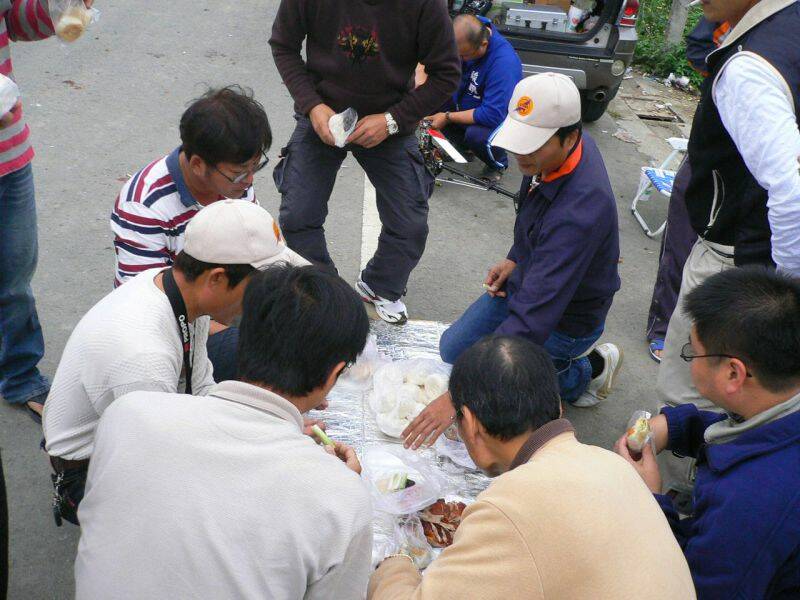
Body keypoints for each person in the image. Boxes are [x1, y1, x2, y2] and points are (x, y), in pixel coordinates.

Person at [75, 264, 372, 600]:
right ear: (333, 374)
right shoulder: (340, 499)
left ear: (241, 335)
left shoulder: (126, 415)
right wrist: (340, 487)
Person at [43, 200, 308, 525]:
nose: (263, 300)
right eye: (259, 289)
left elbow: (203, 390)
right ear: (217, 278)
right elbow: (163, 462)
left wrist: (266, 428)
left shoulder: (175, 289)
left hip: (136, 436)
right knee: (247, 510)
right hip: (86, 471)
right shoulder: (144, 356)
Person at [369, 335, 695, 600]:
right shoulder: (613, 464)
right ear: (558, 405)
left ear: (469, 424)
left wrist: (395, 563)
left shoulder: (508, 508)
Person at [403, 73, 622, 449]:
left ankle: (585, 370)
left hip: (566, 317)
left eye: (532, 147)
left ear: (570, 138)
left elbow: (533, 319)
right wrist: (515, 258)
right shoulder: (548, 157)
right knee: (452, 350)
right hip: (532, 279)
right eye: (518, 143)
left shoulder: (581, 211)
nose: (521, 155)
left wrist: (460, 397)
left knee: (506, 399)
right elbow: (532, 216)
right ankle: (554, 366)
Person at [656, 0, 800, 490]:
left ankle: (689, 502)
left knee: (692, 388)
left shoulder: (750, 67)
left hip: (740, 258)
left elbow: (792, 192)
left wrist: (787, 298)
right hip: (757, 251)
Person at [269, 0, 460, 324]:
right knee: (298, 215)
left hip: (389, 119)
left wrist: (392, 121)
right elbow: (283, 45)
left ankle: (380, 286)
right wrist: (312, 106)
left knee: (409, 223)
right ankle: (323, 292)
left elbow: (447, 74)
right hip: (323, 115)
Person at [617, 268, 800, 599]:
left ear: (734, 373)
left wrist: (649, 501)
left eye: (692, 350)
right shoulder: (781, 401)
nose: (689, 359)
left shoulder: (750, 504)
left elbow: (691, 587)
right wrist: (674, 427)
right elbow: (740, 431)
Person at [110, 85, 272, 381]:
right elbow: (152, 305)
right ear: (198, 164)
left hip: (221, 297)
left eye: (254, 168)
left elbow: (259, 252)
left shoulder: (234, 183)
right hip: (171, 322)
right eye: (239, 172)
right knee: (258, 356)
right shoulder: (144, 205)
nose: (249, 181)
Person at [0, 0, 94, 422]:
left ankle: (20, 373)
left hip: (8, 148)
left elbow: (17, 20)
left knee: (15, 273)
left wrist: (57, 7)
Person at [645, 18, 729, 364]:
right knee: (681, 243)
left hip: (755, 171)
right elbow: (697, 49)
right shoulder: (733, 18)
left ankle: (718, 338)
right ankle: (663, 327)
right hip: (708, 151)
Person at [425, 14, 522, 182]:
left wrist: (447, 117)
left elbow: (492, 114)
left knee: (476, 135)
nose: (459, 59)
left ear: (483, 45)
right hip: (465, 100)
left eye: (463, 56)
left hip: (494, 117)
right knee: (427, 97)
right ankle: (463, 147)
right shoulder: (467, 29)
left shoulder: (504, 64)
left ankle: (497, 163)